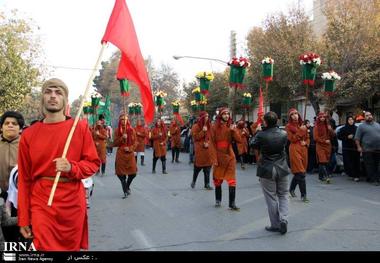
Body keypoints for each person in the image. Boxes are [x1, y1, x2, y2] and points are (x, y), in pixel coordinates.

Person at [18, 78, 100, 251]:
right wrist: (23, 218)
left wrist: (72, 167)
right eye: (48, 92)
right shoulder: (28, 134)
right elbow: (24, 179)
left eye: (58, 92)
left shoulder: (80, 128)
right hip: (42, 201)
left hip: (72, 204)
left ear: (65, 100)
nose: (53, 96)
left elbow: (93, 164)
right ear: (42, 98)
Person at [252, 111, 290, 235]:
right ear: (277, 121)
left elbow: (252, 144)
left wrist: (257, 131)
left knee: (271, 197)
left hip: (267, 168)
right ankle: (284, 219)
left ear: (265, 122)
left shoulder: (261, 135)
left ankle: (275, 224)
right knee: (284, 194)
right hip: (282, 167)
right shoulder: (284, 133)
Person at [210, 108, 242, 211]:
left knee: (232, 180)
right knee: (218, 180)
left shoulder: (231, 126)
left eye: (228, 114)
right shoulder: (214, 127)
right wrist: (214, 158)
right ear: (220, 115)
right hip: (219, 156)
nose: (227, 115)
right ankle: (218, 199)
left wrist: (234, 131)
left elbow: (239, 140)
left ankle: (232, 203)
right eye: (224, 114)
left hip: (230, 156)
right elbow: (212, 144)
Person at [0, 111, 24, 242]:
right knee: (5, 233)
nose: (10, 126)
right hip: (2, 197)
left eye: (14, 124)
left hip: (21, 197)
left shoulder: (27, 146)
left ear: (20, 128)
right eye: (6, 123)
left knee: (23, 231)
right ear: (1, 127)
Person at [285, 109, 310, 202]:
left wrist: (306, 143)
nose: (295, 115)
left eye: (296, 113)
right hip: (294, 149)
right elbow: (292, 139)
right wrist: (300, 131)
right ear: (290, 117)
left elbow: (308, 137)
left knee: (300, 172)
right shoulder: (288, 127)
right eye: (292, 114)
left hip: (303, 149)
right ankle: (304, 195)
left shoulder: (302, 125)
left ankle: (291, 189)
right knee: (301, 173)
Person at [113, 114, 137, 198]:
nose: (124, 121)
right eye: (122, 119)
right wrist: (122, 138)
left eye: (126, 119)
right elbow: (114, 143)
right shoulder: (116, 131)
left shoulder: (132, 130)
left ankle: (127, 186)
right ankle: (125, 191)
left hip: (130, 154)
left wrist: (130, 148)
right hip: (121, 154)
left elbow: (135, 143)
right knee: (121, 174)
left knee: (133, 173)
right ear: (120, 120)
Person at [190, 111, 215, 190]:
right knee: (197, 168)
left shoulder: (209, 126)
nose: (207, 118)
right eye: (205, 117)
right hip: (200, 150)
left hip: (208, 150)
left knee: (207, 168)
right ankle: (194, 181)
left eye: (208, 116)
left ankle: (207, 184)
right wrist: (203, 131)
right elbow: (195, 137)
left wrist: (208, 143)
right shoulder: (195, 126)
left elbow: (212, 136)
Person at [355, 111, 380, 185]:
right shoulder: (361, 126)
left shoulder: (377, 125)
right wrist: (359, 147)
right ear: (364, 117)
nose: (369, 116)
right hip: (367, 149)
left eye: (370, 115)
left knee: (377, 164)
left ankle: (374, 178)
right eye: (367, 115)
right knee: (370, 165)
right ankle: (373, 180)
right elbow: (357, 138)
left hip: (378, 148)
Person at [337, 116, 360, 182]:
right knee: (348, 162)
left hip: (355, 148)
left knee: (356, 162)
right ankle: (351, 174)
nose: (351, 121)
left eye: (352, 119)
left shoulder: (356, 128)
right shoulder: (343, 128)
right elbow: (339, 136)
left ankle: (356, 175)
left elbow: (360, 136)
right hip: (347, 148)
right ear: (347, 121)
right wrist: (347, 137)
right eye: (349, 120)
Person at [314, 112, 335, 183]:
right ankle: (326, 177)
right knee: (322, 161)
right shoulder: (316, 126)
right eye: (321, 117)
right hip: (320, 146)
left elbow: (333, 135)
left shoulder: (327, 125)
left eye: (324, 117)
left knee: (324, 162)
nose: (322, 118)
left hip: (328, 146)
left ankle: (320, 177)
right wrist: (324, 141)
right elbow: (316, 138)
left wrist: (330, 130)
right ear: (319, 118)